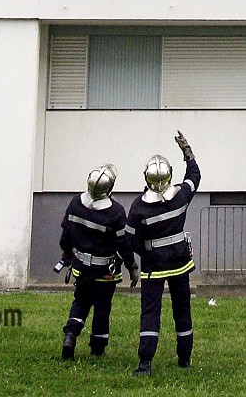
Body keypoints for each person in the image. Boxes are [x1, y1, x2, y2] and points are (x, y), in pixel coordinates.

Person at [127, 131, 200, 377]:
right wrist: (187, 152)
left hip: (152, 267)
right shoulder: (181, 196)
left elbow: (130, 240)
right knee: (182, 309)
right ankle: (185, 358)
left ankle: (145, 363)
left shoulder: (138, 207)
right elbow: (194, 177)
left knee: (150, 312)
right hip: (180, 263)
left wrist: (138, 260)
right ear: (169, 175)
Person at [59, 163, 138, 360]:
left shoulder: (76, 203)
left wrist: (67, 254)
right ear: (109, 189)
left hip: (82, 267)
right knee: (102, 308)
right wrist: (132, 267)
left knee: (81, 301)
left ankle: (71, 334)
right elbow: (124, 244)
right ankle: (97, 347)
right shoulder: (116, 212)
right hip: (105, 271)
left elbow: (65, 235)